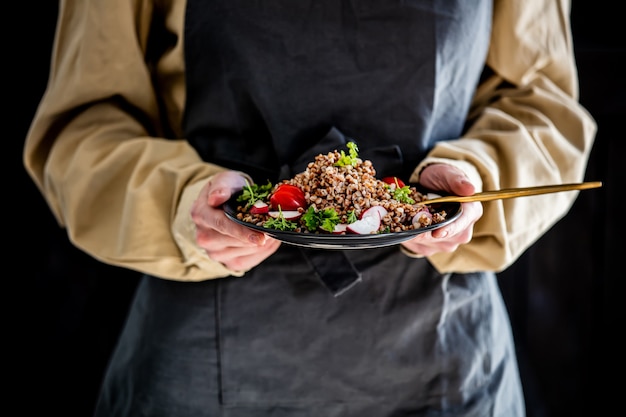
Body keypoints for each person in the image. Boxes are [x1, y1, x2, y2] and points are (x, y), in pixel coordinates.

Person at [24, 0, 596, 416]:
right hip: (211, 355)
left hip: (443, 358)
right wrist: (183, 199)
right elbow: (83, 130)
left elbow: (544, 107)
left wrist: (473, 183)